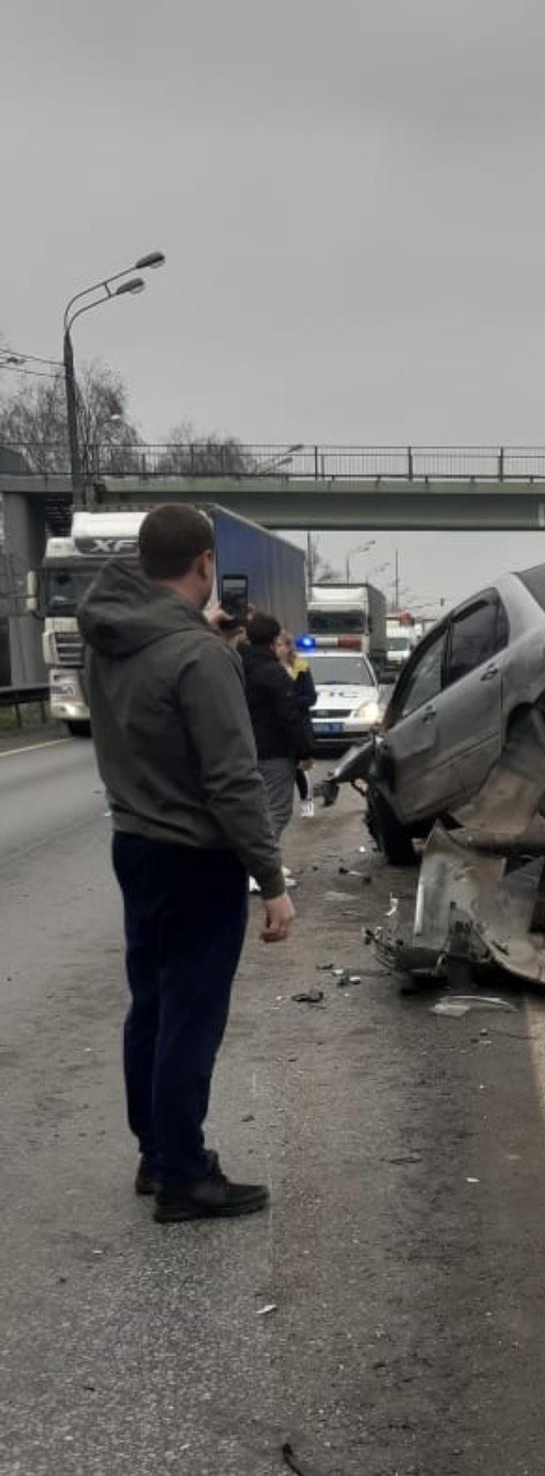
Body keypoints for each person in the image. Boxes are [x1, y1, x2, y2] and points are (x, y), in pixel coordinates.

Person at [79, 503, 294, 1224]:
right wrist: (272, 881)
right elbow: (232, 781)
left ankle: (154, 1151)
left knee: (152, 1004)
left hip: (133, 843)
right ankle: (183, 1172)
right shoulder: (200, 656)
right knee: (192, 1016)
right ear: (204, 563)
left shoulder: (106, 640)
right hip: (195, 858)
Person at [242, 615, 317, 878]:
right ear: (274, 641)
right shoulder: (273, 673)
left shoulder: (239, 665)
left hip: (246, 749)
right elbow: (288, 716)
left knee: (259, 811)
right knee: (278, 810)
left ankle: (266, 863)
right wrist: (304, 751)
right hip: (274, 751)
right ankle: (260, 871)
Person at [277, 631, 318, 819]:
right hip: (278, 724)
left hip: (298, 723)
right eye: (275, 645)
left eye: (281, 645)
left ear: (288, 647)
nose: (278, 649)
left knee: (299, 765)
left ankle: (306, 800)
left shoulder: (300, 667)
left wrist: (291, 701)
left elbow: (310, 697)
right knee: (282, 765)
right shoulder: (270, 669)